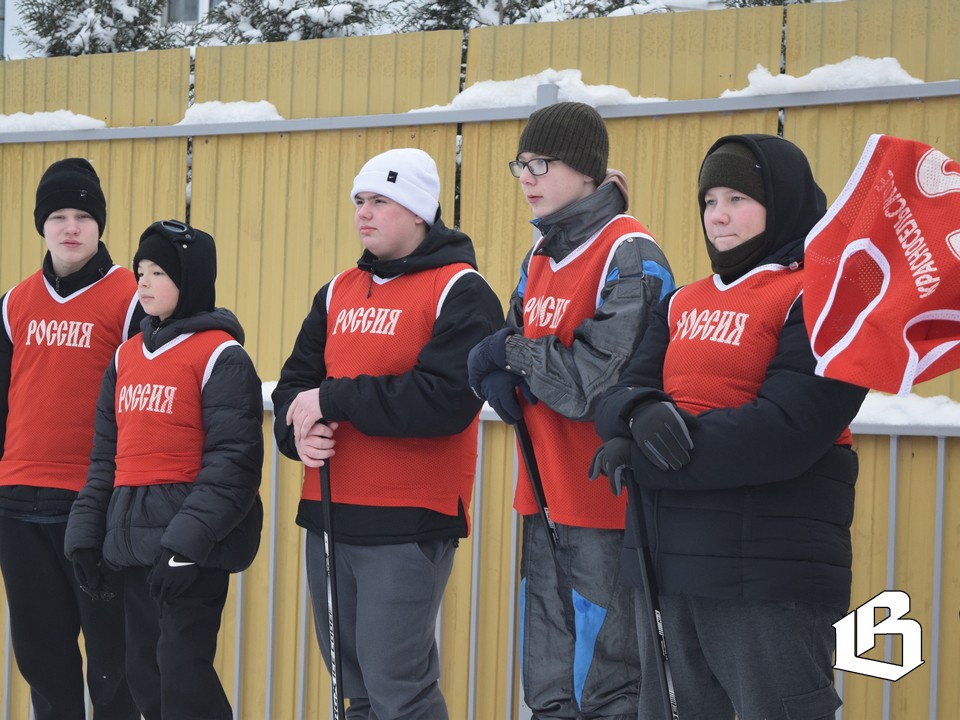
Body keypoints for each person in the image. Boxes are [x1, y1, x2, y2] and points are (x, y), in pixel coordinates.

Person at [591, 134, 869, 720]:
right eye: (709, 200)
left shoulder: (822, 299)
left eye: (738, 197)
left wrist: (643, 453)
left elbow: (787, 431)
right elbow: (617, 392)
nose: (718, 215)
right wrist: (636, 414)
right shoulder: (683, 303)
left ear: (784, 201)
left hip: (767, 578)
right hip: (666, 565)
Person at [272, 147, 503, 719]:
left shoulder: (461, 290)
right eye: (360, 201)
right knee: (354, 688)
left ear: (420, 212)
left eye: (381, 201)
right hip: (328, 515)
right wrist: (295, 433)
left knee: (399, 688)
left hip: (407, 520)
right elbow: (295, 385)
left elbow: (446, 399)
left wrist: (335, 398)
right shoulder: (337, 290)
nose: (364, 213)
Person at [468, 101, 675, 719]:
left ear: (586, 171)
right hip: (544, 493)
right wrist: (507, 364)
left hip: (606, 506)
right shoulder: (540, 257)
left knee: (608, 685)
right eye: (521, 164)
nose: (527, 177)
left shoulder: (629, 254)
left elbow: (593, 384)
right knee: (550, 687)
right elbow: (512, 361)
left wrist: (511, 354)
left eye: (542, 163)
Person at [64, 220, 264, 720]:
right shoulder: (125, 357)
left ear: (190, 280)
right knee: (144, 675)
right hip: (132, 546)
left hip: (192, 550)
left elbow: (233, 465)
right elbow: (104, 459)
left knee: (181, 674)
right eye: (139, 272)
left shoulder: (222, 355)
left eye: (158, 272)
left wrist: (185, 546)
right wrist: (85, 536)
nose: (144, 283)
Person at [0, 158, 141, 720]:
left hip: (95, 504)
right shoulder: (15, 303)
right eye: (57, 215)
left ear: (100, 224)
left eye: (83, 214)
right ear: (41, 224)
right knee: (42, 662)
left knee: (115, 664)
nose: (70, 227)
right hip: (18, 502)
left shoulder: (133, 297)